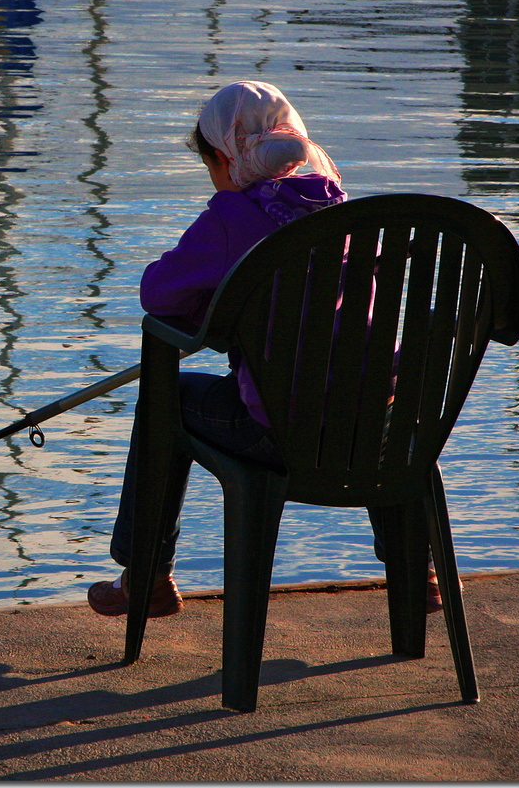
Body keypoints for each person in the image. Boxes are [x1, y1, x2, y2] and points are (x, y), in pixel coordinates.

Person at [89, 80, 416, 618]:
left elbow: (159, 295)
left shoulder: (230, 218)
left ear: (222, 158)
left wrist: (217, 299)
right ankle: (416, 566)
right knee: (363, 392)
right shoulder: (343, 213)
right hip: (377, 424)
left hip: (275, 431)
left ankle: (144, 574)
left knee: (162, 398)